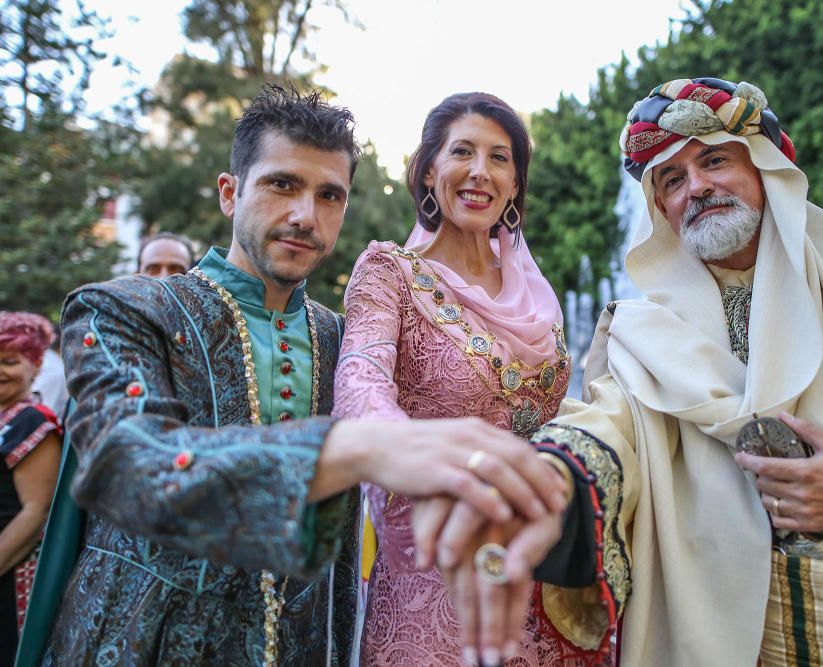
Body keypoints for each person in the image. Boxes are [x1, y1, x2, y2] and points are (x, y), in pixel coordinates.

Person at [439, 77, 823, 665]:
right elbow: (604, 431)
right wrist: (540, 482)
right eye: (672, 180)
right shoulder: (648, 333)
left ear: (765, 172)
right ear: (660, 209)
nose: (697, 187)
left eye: (714, 161)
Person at [27, 84, 563, 667]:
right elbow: (128, 462)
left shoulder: (336, 336)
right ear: (230, 193)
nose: (305, 215)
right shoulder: (125, 311)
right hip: (139, 646)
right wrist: (359, 445)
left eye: (329, 195)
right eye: (282, 184)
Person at [333, 92, 599, 666]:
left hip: (546, 589)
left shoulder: (535, 291)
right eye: (462, 152)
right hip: (433, 590)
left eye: (500, 158)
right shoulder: (391, 274)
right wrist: (411, 450)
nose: (481, 172)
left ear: (515, 183)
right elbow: (360, 382)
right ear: (429, 169)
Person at [0, 313, 61, 667]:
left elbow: (35, 511)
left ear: (37, 365)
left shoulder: (33, 421)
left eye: (10, 362)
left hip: (10, 576)